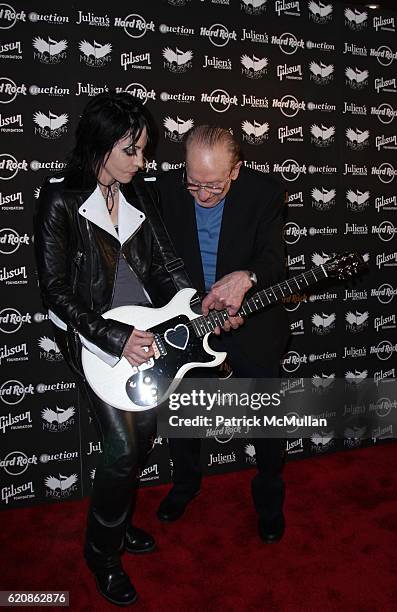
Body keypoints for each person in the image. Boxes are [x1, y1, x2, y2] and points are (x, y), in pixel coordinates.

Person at [33, 91, 191, 606]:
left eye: (143, 151)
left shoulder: (140, 193)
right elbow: (55, 291)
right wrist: (113, 338)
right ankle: (101, 554)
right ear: (101, 146)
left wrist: (193, 307)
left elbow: (166, 265)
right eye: (132, 150)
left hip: (148, 334)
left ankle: (117, 525)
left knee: (141, 434)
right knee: (122, 447)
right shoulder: (59, 200)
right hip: (94, 338)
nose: (141, 162)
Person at [154, 125, 290, 543]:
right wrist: (194, 307)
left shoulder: (264, 194)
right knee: (182, 416)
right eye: (193, 182)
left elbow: (274, 261)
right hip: (190, 322)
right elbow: (153, 263)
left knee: (266, 421)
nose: (202, 194)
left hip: (252, 324)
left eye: (213, 184)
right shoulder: (163, 190)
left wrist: (245, 280)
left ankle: (269, 499)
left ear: (236, 169)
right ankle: (186, 484)